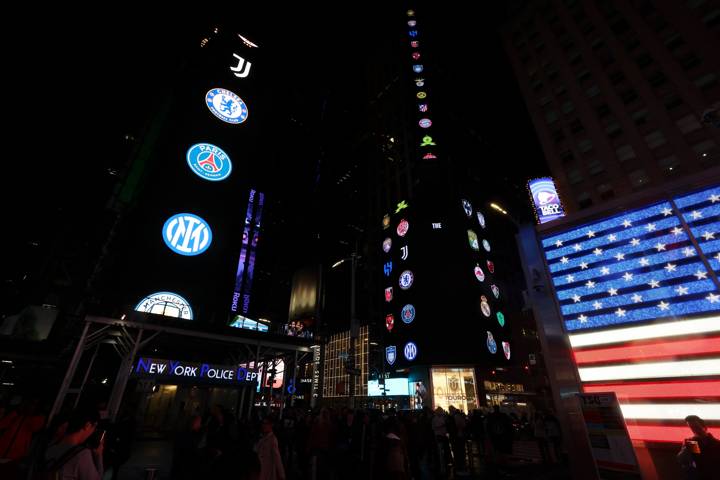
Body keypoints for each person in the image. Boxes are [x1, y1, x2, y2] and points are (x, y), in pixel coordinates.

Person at [43, 407, 104, 479]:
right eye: (94, 427)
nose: (93, 432)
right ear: (87, 425)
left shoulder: (51, 444)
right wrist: (98, 456)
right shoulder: (82, 455)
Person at [677, 415, 720, 480]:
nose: (694, 430)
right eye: (692, 428)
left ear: (704, 427)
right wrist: (687, 448)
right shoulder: (692, 443)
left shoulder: (716, 443)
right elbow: (683, 460)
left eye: (696, 427)